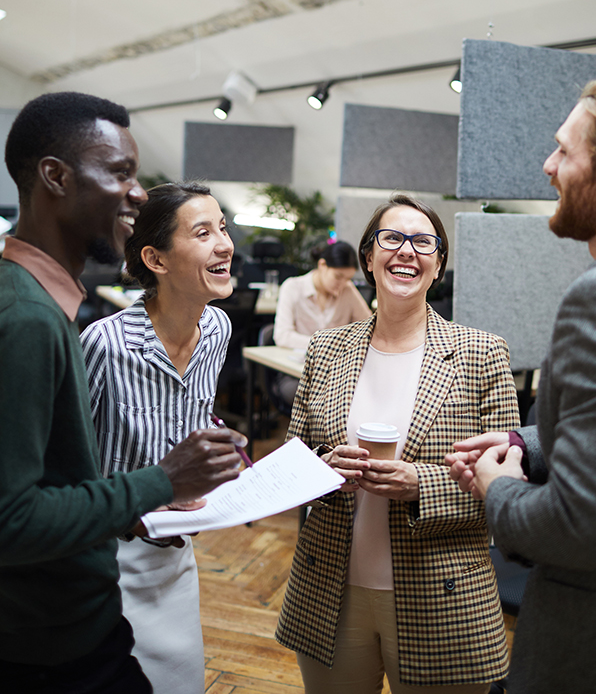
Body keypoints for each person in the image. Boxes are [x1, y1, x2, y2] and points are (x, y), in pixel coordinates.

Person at [0, 92, 245, 693]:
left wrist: (209, 454)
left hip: (114, 586)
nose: (137, 194)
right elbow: (17, 514)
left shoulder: (49, 307)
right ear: (56, 177)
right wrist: (162, 483)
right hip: (70, 610)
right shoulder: (35, 320)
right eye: (120, 173)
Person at [447, 73, 596, 694]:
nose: (548, 166)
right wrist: (524, 442)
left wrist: (497, 488)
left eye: (563, 150)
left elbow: (586, 527)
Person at [276, 193, 519, 694]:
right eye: (391, 238)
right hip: (330, 592)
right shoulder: (326, 347)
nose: (406, 250)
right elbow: (292, 460)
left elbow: (508, 487)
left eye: (423, 242)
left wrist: (420, 485)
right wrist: (324, 468)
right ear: (368, 257)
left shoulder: (482, 354)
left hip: (442, 594)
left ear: (438, 266)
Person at [81, 181, 236, 694]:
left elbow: (192, 418)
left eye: (223, 228)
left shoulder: (217, 330)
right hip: (108, 562)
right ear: (155, 259)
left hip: (176, 557)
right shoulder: (105, 344)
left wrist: (218, 447)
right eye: (203, 232)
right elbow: (68, 466)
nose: (225, 244)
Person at [273, 240, 371, 404]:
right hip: (298, 373)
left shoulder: (347, 289)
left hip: (336, 374)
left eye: (348, 279)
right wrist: (325, 344)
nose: (342, 284)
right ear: (322, 265)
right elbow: (282, 336)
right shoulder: (293, 287)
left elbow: (369, 328)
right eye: (338, 277)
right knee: (327, 399)